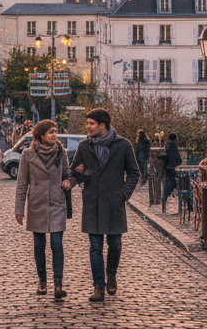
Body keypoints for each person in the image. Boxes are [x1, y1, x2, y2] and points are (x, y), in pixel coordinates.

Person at [66, 108, 140, 303]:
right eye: (87, 123)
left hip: (114, 202)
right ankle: (98, 286)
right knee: (95, 247)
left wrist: (123, 195)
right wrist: (76, 176)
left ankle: (111, 274)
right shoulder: (84, 146)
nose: (87, 127)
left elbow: (134, 172)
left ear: (102, 125)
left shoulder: (123, 145)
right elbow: (75, 172)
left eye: (91, 123)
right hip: (93, 201)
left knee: (114, 245)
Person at [14, 120, 71, 300]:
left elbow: (68, 174)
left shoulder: (60, 152)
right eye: (51, 132)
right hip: (37, 204)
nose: (55, 135)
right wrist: (19, 209)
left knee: (56, 244)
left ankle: (58, 284)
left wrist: (69, 182)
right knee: (39, 245)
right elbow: (22, 183)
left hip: (56, 203)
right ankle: (42, 281)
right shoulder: (27, 154)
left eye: (55, 131)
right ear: (41, 135)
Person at [161, 132, 184, 212]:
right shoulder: (173, 147)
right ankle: (180, 209)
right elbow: (177, 159)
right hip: (174, 171)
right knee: (179, 190)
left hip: (169, 170)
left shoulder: (167, 146)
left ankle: (163, 207)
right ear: (176, 139)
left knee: (166, 190)